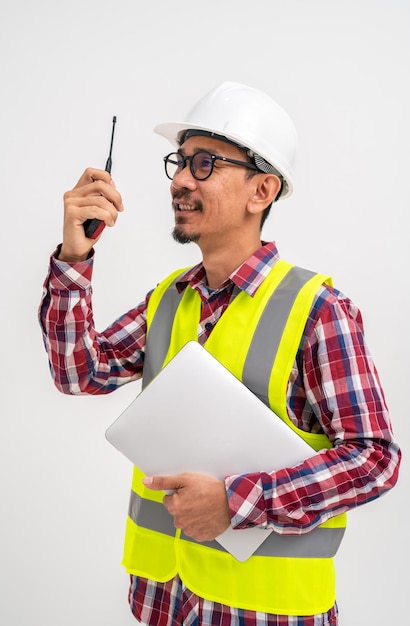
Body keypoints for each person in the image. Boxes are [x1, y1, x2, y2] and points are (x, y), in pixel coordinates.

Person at [39, 81, 401, 626]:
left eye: (205, 164)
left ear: (262, 191)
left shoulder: (319, 311)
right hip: (164, 601)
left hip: (267, 612)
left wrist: (238, 502)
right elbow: (77, 373)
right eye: (179, 162)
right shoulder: (167, 301)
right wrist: (75, 254)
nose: (180, 180)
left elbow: (375, 460)